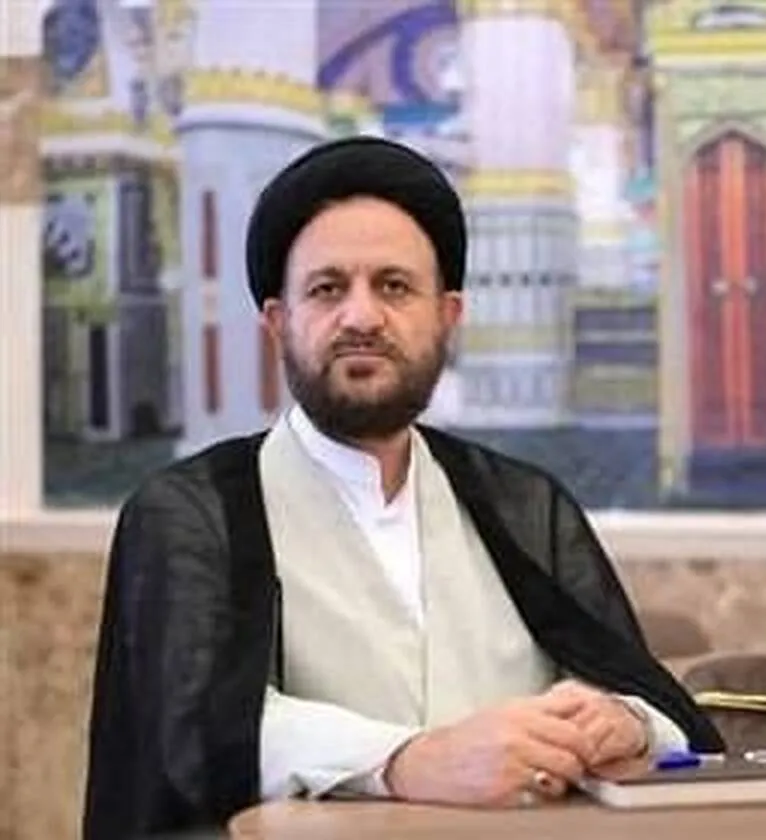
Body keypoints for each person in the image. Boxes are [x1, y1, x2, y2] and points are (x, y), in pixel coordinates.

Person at [82, 136, 724, 839]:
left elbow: (659, 708)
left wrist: (625, 721)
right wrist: (406, 762)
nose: (361, 317)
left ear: (447, 316)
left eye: (393, 286)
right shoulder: (193, 511)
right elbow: (188, 728)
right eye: (327, 289)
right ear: (278, 323)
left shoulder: (522, 505)